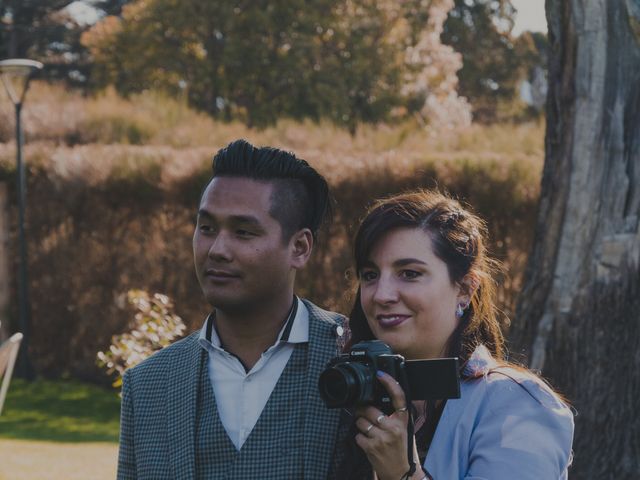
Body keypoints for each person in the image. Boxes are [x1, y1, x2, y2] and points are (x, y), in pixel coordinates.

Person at [117, 139, 346, 479]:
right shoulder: (148, 384)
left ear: (299, 247)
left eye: (243, 231)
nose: (217, 249)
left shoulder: (353, 357)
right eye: (207, 228)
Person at [331, 189, 574, 480]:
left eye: (409, 273)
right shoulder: (347, 392)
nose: (381, 295)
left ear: (465, 289)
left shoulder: (517, 404)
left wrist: (403, 474)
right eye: (370, 275)